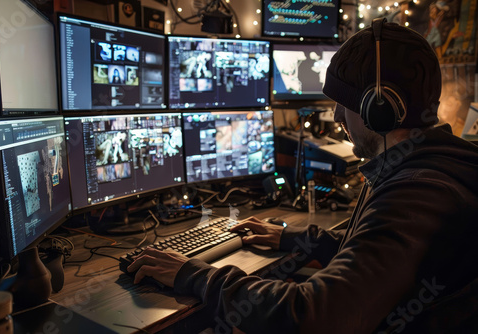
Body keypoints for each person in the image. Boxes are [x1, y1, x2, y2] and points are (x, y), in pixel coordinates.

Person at [128, 20, 478, 333]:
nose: (339, 115)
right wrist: (290, 238)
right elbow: (369, 255)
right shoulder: (429, 167)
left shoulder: (419, 192)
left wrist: (195, 275)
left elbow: (312, 316)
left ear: (380, 110)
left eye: (345, 102)